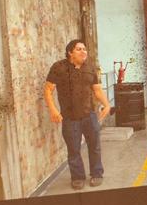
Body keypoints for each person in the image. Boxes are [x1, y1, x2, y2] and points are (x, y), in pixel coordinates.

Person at [44, 39, 110, 189]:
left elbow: (97, 90)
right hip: (70, 118)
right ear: (70, 53)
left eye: (85, 49)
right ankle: (77, 177)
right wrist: (53, 110)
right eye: (79, 49)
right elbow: (48, 90)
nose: (84, 52)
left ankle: (97, 174)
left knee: (94, 146)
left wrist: (106, 104)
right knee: (73, 149)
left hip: (89, 116)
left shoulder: (90, 68)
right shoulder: (59, 68)